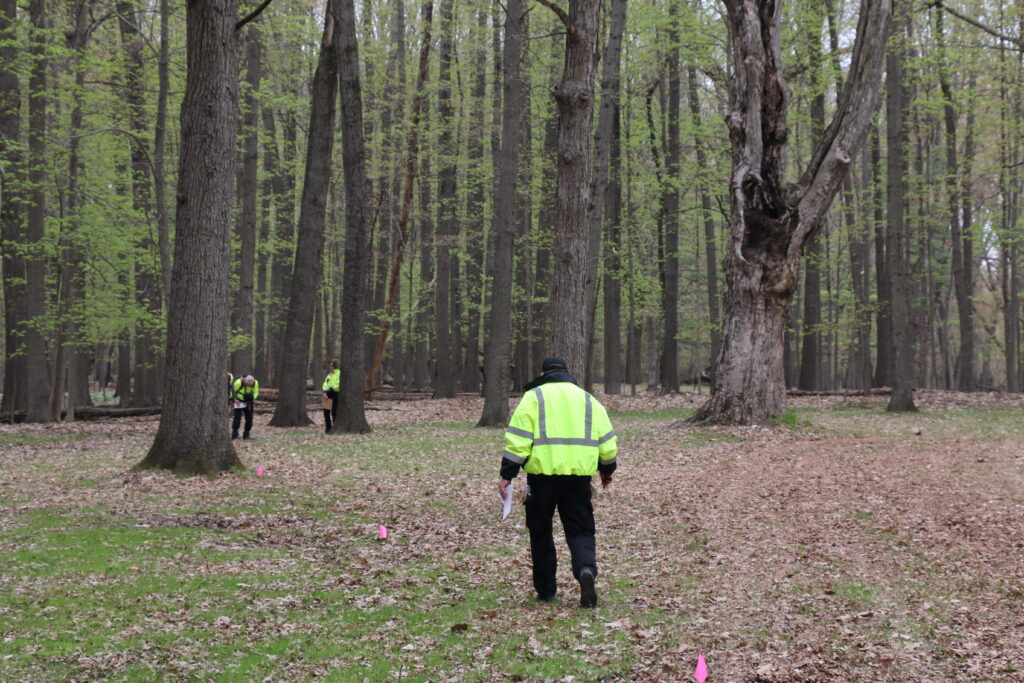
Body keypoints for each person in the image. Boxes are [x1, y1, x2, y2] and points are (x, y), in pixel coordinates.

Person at [498, 356, 618, 608]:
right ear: (567, 373)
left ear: (543, 373)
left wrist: (507, 474)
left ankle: (546, 590)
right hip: (578, 480)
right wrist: (607, 469)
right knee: (581, 530)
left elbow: (518, 438)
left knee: (540, 532)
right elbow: (606, 440)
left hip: (541, 479)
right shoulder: (588, 400)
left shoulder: (533, 398)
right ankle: (585, 569)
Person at [230, 374, 259, 440]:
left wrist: (251, 399)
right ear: (244, 382)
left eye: (250, 385)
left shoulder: (255, 383)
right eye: (247, 385)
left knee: (249, 418)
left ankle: (246, 434)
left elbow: (256, 393)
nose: (249, 386)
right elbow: (232, 391)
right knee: (237, 417)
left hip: (248, 401)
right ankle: (234, 434)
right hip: (239, 402)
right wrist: (234, 399)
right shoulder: (238, 382)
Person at [322, 359, 341, 433]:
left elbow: (337, 385)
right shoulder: (329, 375)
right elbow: (325, 384)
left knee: (334, 413)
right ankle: (328, 429)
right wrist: (324, 392)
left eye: (331, 365)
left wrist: (328, 391)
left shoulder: (339, 374)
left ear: (335, 366)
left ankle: (334, 428)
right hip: (326, 395)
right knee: (326, 413)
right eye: (330, 365)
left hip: (334, 395)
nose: (330, 367)